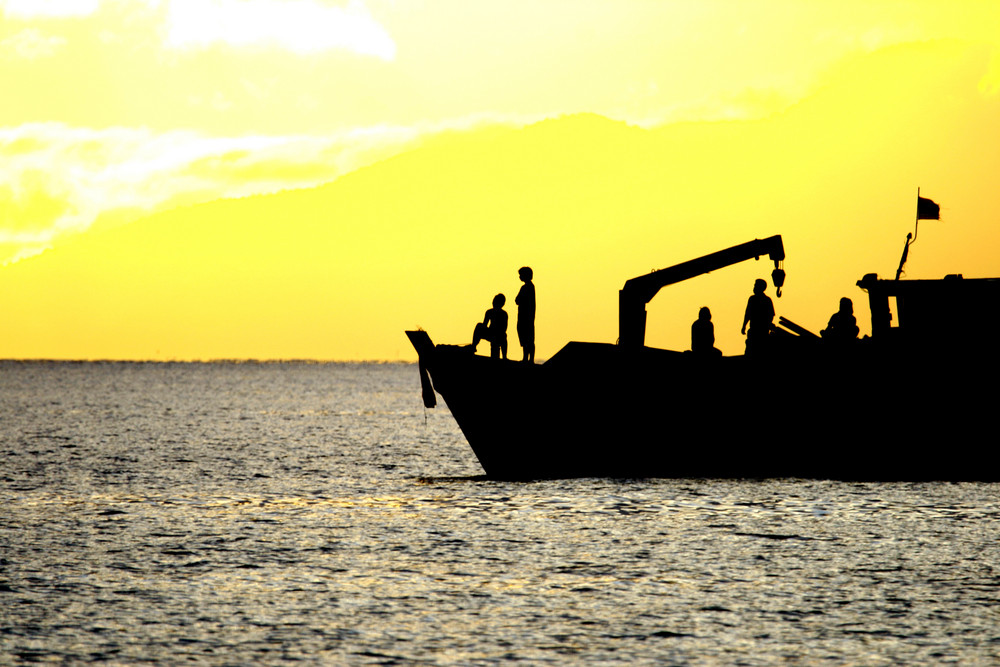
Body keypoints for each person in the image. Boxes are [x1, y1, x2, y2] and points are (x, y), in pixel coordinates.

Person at [741, 278, 774, 355]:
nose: (754, 287)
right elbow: (748, 314)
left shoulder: (754, 299)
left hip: (759, 332)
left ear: (760, 287)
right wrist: (744, 325)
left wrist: (744, 326)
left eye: (755, 286)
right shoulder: (766, 300)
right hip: (758, 331)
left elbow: (747, 314)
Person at [472, 293, 508, 359]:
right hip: (491, 333)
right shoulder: (489, 312)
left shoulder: (503, 314)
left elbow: (504, 328)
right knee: (479, 325)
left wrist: (495, 332)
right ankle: (474, 346)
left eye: (495, 301)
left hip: (498, 335)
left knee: (503, 337)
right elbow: (484, 325)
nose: (493, 303)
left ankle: (504, 357)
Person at [515, 266, 535, 363]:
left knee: (527, 339)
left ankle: (527, 359)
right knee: (528, 339)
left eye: (521, 275)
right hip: (528, 317)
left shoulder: (526, 287)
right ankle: (528, 359)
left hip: (524, 317)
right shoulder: (531, 287)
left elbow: (517, 300)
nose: (519, 277)